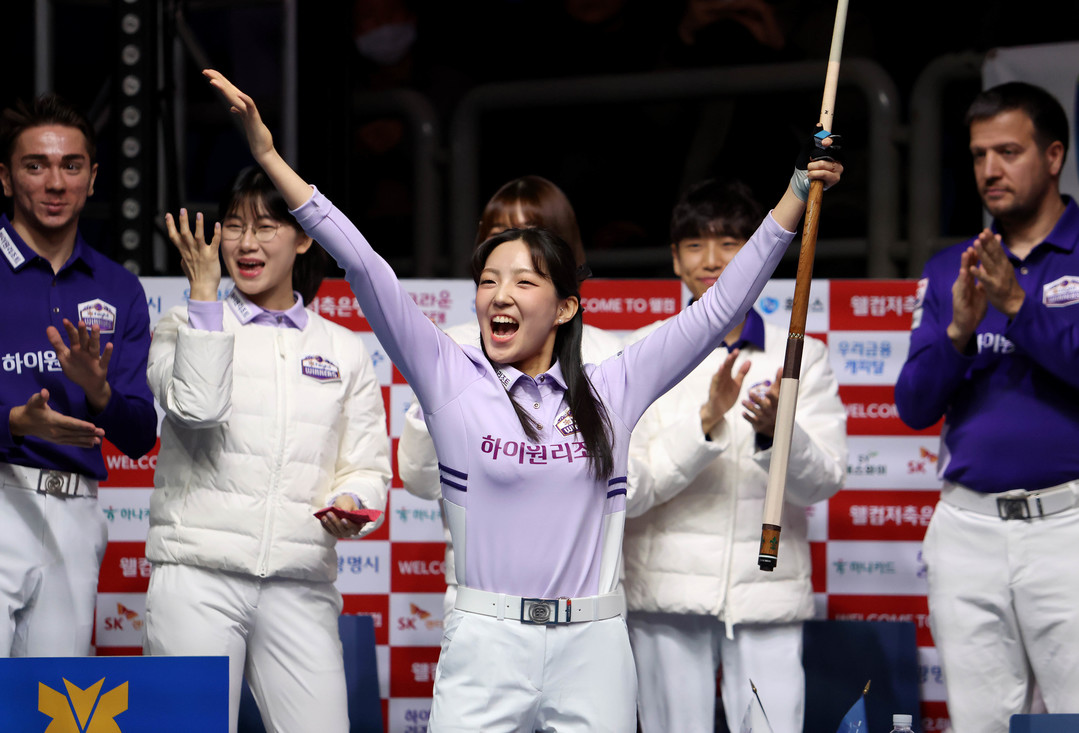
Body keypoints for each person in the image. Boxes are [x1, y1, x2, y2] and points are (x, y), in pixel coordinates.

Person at [203, 67, 841, 732]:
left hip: (593, 646)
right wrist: (269, 158)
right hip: (486, 643)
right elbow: (364, 264)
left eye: (524, 281)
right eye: (488, 280)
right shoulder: (450, 375)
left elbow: (720, 308)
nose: (499, 295)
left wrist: (796, 192)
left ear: (565, 306)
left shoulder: (613, 383)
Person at [143, 166, 392, 733]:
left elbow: (365, 466)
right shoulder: (182, 323)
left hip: (300, 583)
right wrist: (204, 296)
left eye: (265, 227)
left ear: (303, 238)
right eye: (234, 226)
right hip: (197, 577)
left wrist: (353, 501)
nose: (246, 243)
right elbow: (198, 408)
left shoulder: (344, 349)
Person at [622, 179, 847, 733]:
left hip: (767, 592)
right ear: (674, 258)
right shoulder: (643, 350)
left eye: (730, 244)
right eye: (695, 244)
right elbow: (629, 485)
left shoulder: (803, 354)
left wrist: (775, 435)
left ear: (758, 254)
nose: (712, 259)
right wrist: (706, 420)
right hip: (666, 596)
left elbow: (823, 481)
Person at [895, 81, 1079, 733]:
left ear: (1053, 156)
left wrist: (1018, 308)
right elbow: (913, 405)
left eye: (1008, 151)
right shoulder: (953, 266)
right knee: (979, 725)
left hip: (1068, 523)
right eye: (978, 155)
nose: (989, 170)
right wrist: (956, 333)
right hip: (967, 528)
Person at [396, 175, 623, 617]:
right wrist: (436, 402)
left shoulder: (608, 357)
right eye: (501, 234)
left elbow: (638, 486)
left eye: (536, 233)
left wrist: (566, 465)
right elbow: (419, 481)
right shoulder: (450, 352)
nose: (518, 246)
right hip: (481, 597)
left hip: (588, 600)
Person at [0, 93, 156, 657]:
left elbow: (139, 437)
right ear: (6, 178)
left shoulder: (119, 288)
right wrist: (14, 422)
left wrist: (100, 392)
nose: (55, 182)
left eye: (71, 165)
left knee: (53, 699)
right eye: (35, 165)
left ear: (92, 179)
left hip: (77, 511)